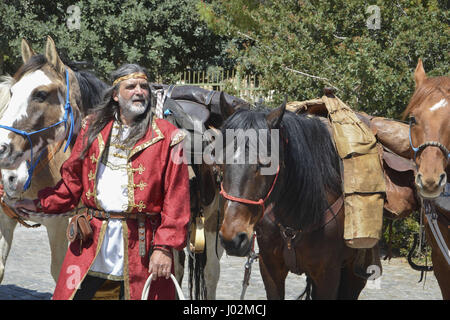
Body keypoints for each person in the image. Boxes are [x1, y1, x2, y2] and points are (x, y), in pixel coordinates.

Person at [13, 64, 190, 300]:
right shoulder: (92, 127)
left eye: (144, 87)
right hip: (91, 244)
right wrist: (40, 204)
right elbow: (72, 183)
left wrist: (164, 247)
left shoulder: (169, 137)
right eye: (131, 86)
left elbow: (177, 201)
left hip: (141, 249)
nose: (139, 91)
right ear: (116, 95)